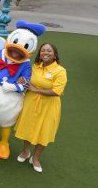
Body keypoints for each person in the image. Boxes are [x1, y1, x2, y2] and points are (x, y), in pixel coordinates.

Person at [14, 44, 67, 173]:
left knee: (45, 130)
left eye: (49, 51)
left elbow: (57, 91)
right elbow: (30, 83)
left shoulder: (60, 71)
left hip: (49, 106)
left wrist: (36, 90)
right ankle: (26, 152)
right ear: (39, 54)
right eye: (43, 50)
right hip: (31, 102)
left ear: (55, 55)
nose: (45, 53)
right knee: (28, 127)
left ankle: (36, 158)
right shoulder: (35, 67)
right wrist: (24, 81)